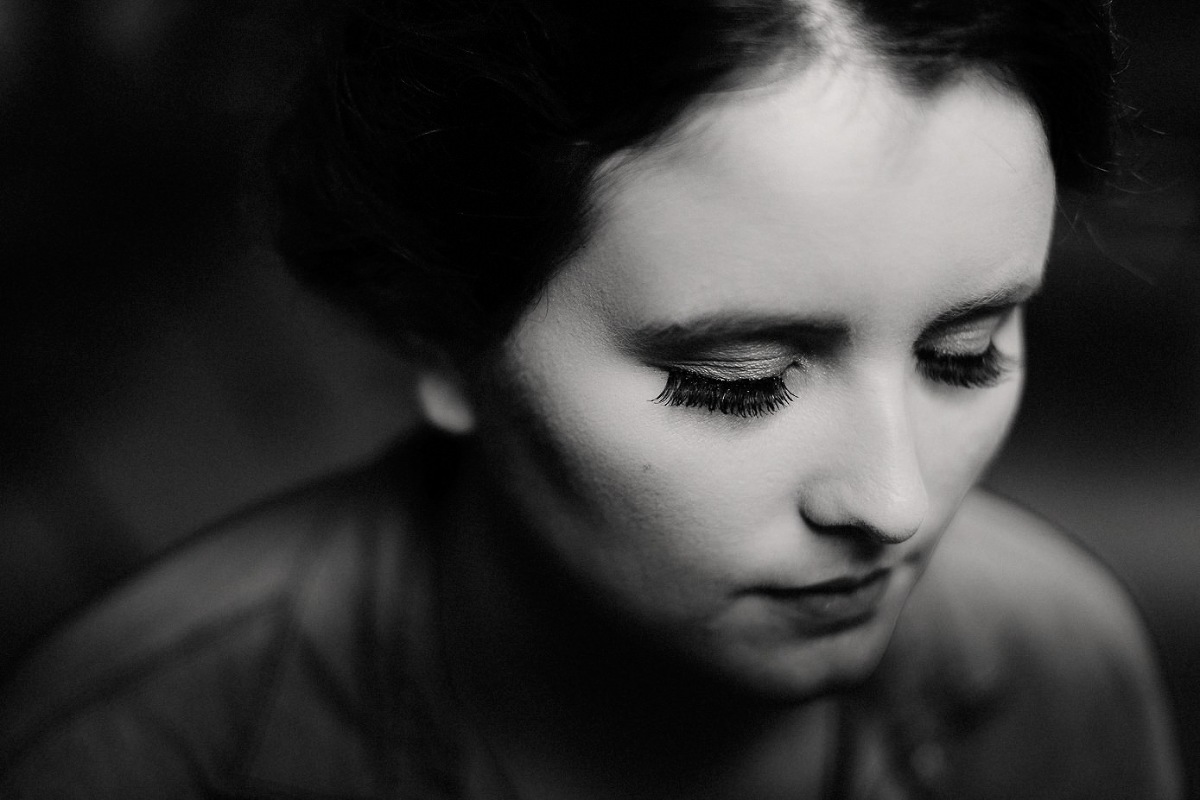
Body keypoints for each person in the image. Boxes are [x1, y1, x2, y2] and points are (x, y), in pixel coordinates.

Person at [0, 0, 1184, 797]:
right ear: (446, 334)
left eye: (966, 351)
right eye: (743, 383)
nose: (897, 499)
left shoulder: (1058, 666)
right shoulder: (150, 745)